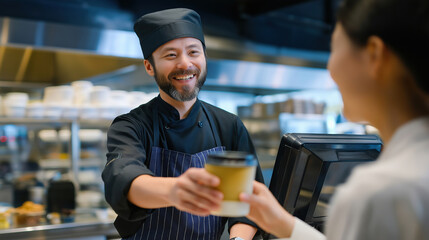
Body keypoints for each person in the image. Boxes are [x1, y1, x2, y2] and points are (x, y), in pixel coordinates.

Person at [238, 0, 429, 239]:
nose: (330, 68)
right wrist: (285, 225)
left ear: (374, 54)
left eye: (335, 47)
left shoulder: (379, 192)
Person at [101, 8, 264, 240]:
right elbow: (123, 177)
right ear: (149, 66)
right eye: (171, 55)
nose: (185, 64)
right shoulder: (131, 126)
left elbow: (249, 200)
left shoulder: (229, 126)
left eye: (193, 52)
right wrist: (177, 191)